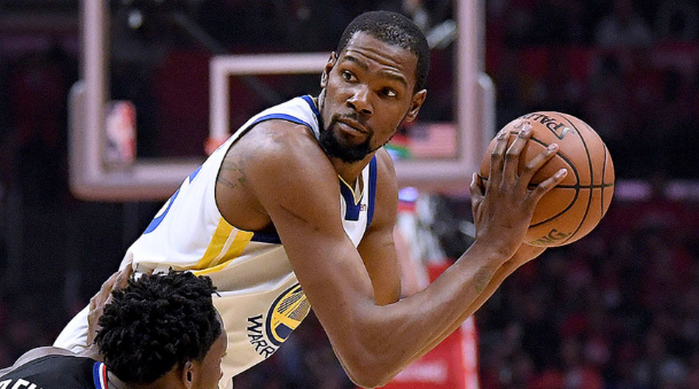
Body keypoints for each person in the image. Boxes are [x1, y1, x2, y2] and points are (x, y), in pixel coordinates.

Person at [54, 10, 567, 388]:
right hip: (119, 365)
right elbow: (369, 357)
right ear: (327, 72)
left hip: (196, 376)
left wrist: (510, 251)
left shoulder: (379, 176)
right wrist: (491, 251)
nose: (360, 100)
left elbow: (389, 332)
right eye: (350, 77)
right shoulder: (284, 157)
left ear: (413, 109)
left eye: (386, 93)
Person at [1, 266, 227, 389]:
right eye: (219, 361)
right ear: (188, 374)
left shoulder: (42, 359)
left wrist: (94, 350)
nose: (222, 375)